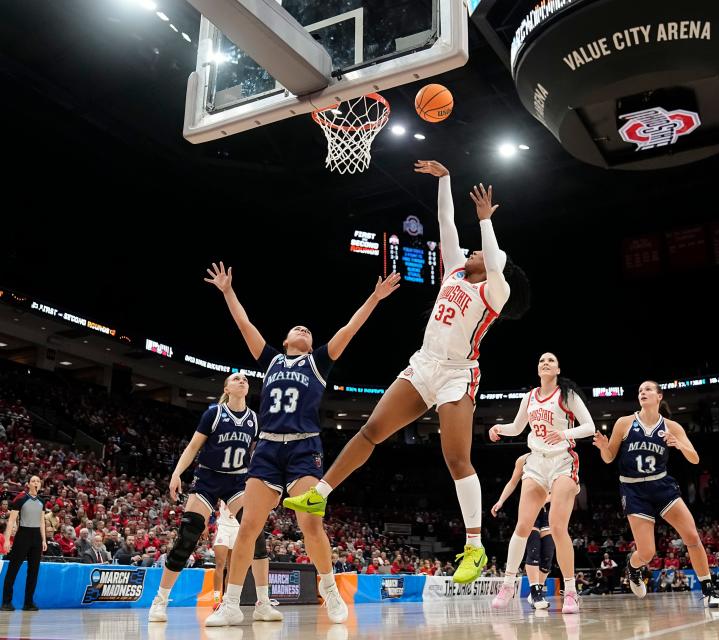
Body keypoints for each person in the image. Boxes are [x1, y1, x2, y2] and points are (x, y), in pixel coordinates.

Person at [284, 160, 530, 586]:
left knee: (456, 459)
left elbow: (492, 258)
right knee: (370, 431)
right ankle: (319, 494)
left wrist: (487, 221)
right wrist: (446, 179)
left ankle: (475, 545)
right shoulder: (454, 270)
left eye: (480, 252)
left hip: (458, 374)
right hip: (423, 364)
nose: (471, 251)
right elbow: (446, 223)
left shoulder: (496, 289)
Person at [203, 261, 400, 627]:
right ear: (285, 341)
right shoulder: (271, 360)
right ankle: (231, 604)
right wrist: (229, 292)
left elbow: (349, 328)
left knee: (311, 523)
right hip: (266, 449)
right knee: (248, 528)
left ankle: (330, 590)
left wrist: (374, 297)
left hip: (303, 447)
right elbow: (246, 326)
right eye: (297, 328)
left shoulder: (318, 362)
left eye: (308, 330)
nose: (303, 329)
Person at [149, 373, 278, 623]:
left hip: (237, 481)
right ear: (227, 387)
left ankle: (263, 603)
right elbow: (193, 447)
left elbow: (259, 456)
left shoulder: (254, 419)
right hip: (207, 479)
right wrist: (177, 473)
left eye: (245, 380)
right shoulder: (214, 414)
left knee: (257, 535)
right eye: (236, 378)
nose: (242, 381)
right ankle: (160, 601)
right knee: (188, 535)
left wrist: (267, 485)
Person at [594, 382, 719, 608]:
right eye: (640, 391)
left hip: (662, 485)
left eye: (647, 390)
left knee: (692, 536)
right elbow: (608, 458)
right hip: (634, 489)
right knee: (647, 552)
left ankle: (709, 590)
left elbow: (695, 458)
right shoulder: (624, 423)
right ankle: (633, 568)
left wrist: (679, 445)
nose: (642, 393)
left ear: (659, 396)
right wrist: (604, 448)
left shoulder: (671, 426)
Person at [489, 353, 595, 613]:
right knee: (522, 525)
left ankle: (570, 591)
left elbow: (590, 426)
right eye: (540, 361)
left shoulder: (566, 395)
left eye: (550, 360)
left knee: (558, 527)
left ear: (558, 368)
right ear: (538, 369)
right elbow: (517, 427)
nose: (545, 363)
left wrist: (564, 433)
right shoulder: (530, 397)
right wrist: (499, 428)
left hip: (562, 460)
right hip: (536, 462)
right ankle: (508, 584)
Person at [490, 455, 556, 610]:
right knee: (533, 551)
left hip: (547, 512)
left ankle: (537, 589)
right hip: (530, 510)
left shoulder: (556, 458)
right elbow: (513, 482)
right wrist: (501, 501)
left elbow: (558, 489)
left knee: (548, 555)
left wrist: (545, 499)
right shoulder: (523, 460)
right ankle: (535, 592)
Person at [1, 476, 46, 612]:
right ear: (28, 484)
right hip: (23, 536)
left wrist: (44, 539)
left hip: (36, 538)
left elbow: (42, 522)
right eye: (33, 481)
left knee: (33, 571)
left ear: (40, 485)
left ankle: (28, 602)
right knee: (13, 569)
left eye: (38, 481)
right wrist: (7, 540)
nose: (36, 483)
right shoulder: (20, 500)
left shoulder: (42, 501)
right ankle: (6, 602)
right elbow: (11, 521)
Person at [212, 500, 241, 604]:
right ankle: (216, 600)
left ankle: (226, 598)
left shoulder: (247, 487)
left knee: (231, 567)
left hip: (237, 527)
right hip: (223, 527)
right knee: (219, 564)